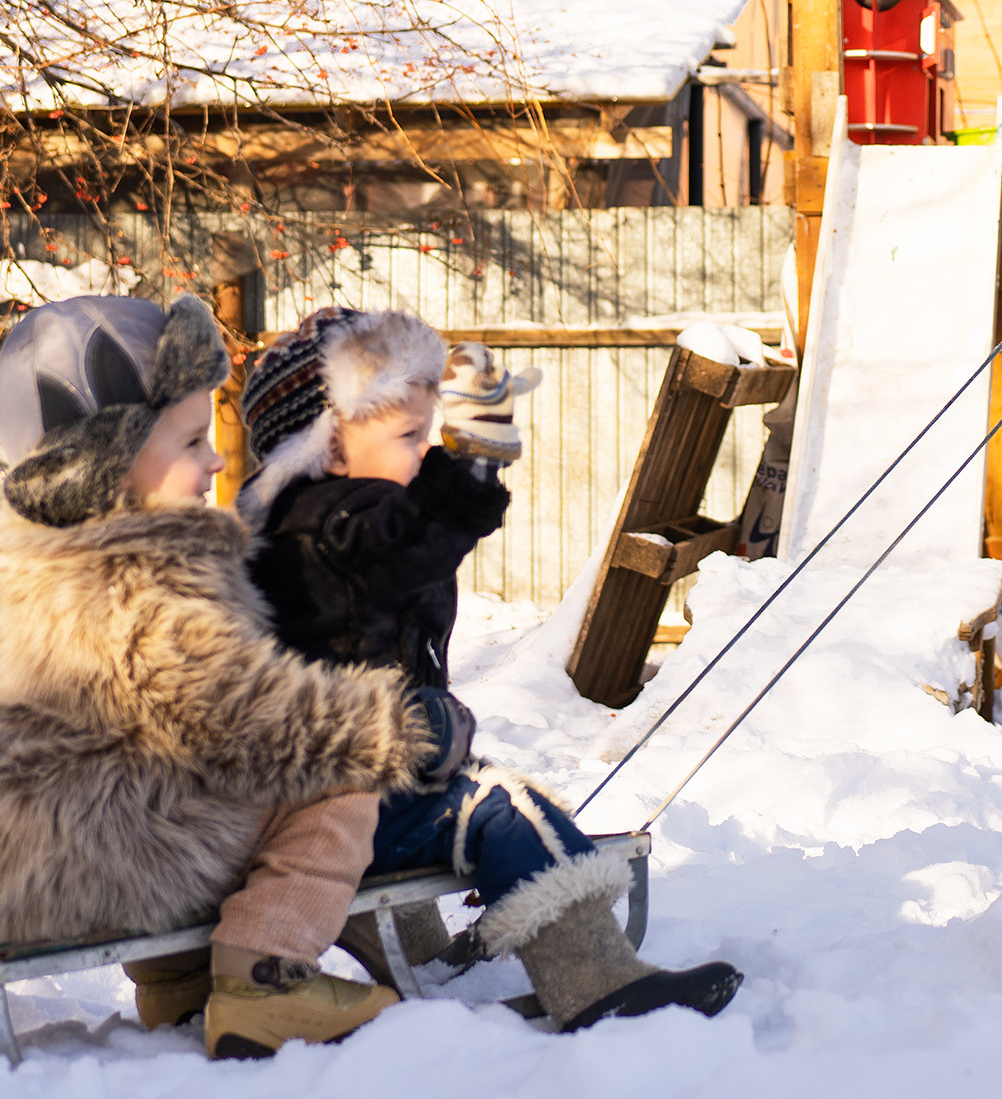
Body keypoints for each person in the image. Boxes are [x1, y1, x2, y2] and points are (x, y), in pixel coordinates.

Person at [0, 297, 732, 1064]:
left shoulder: (56, 562)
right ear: (103, 469)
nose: (215, 456)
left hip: (59, 845)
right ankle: (265, 976)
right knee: (353, 778)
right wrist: (400, 730)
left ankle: (179, 984)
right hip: (113, 853)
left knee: (320, 776)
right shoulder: (141, 574)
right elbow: (245, 723)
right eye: (186, 443)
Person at [232, 304, 739, 1026]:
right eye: (411, 436)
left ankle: (418, 954)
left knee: (463, 784)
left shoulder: (324, 521)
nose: (425, 450)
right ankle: (592, 975)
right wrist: (469, 468)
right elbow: (412, 543)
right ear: (329, 446)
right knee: (503, 810)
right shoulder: (335, 524)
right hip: (338, 797)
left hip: (341, 787)